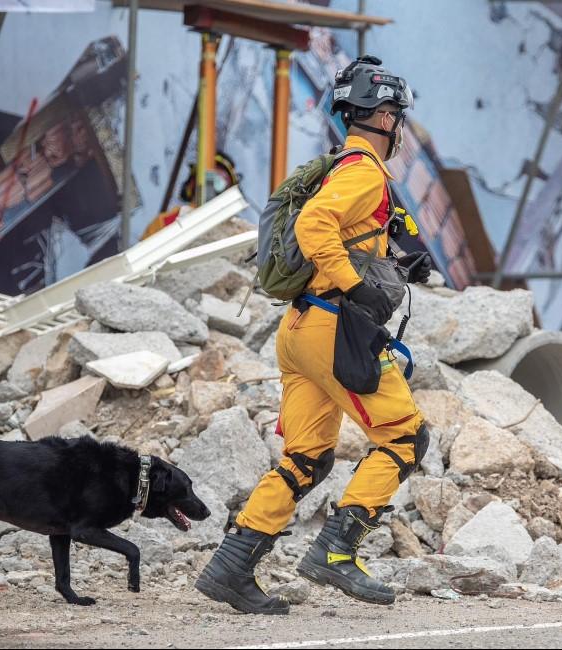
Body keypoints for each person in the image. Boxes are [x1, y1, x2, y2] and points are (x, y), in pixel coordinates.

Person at [195, 56, 434, 615]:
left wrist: (396, 261)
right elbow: (315, 224)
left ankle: (232, 565)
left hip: (301, 328)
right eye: (397, 115)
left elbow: (347, 229)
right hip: (334, 328)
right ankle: (336, 551)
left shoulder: (338, 167)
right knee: (405, 437)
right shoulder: (362, 172)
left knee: (307, 456)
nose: (399, 126)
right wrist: (357, 286)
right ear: (381, 118)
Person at [141, 151, 239, 239]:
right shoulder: (165, 223)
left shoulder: (237, 234)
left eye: (219, 182)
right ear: (193, 182)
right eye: (207, 178)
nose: (211, 187)